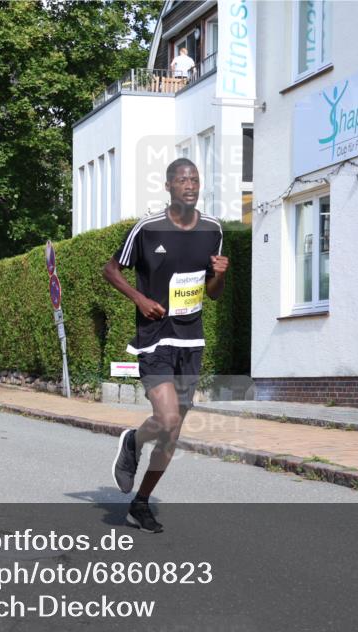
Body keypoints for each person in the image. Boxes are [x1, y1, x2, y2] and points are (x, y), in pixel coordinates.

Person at [103, 158, 228, 533]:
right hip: (155, 338)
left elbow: (213, 293)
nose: (190, 185)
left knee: (173, 432)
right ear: (169, 185)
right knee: (168, 417)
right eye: (182, 179)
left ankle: (140, 504)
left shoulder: (213, 230)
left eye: (195, 179)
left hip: (193, 340)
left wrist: (220, 276)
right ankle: (133, 441)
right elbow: (111, 270)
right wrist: (140, 299)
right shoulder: (147, 228)